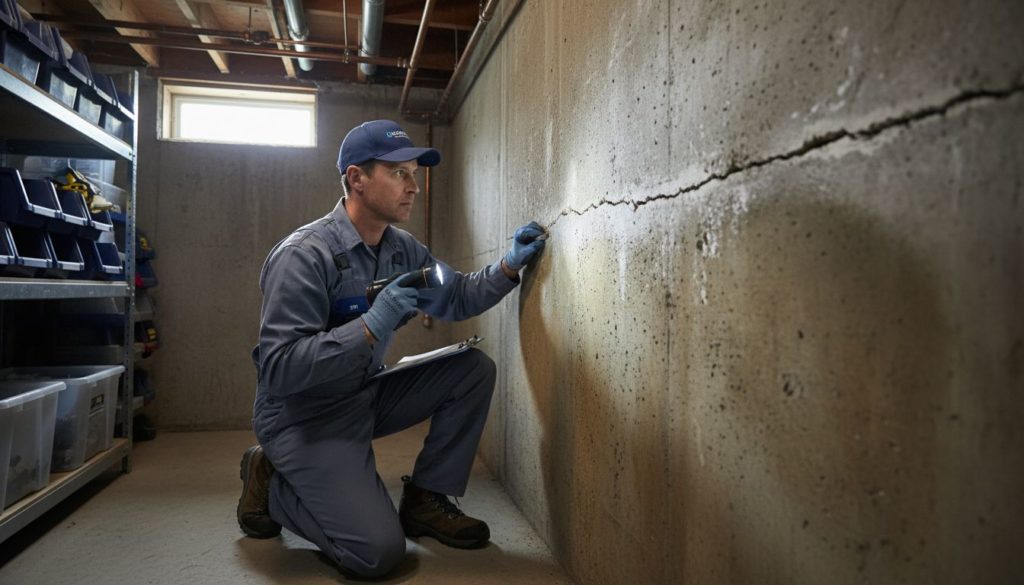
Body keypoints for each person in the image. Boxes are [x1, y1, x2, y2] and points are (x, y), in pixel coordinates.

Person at [237, 119, 547, 579]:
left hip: (363, 394)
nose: (414, 186)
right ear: (356, 179)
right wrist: (369, 325)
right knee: (377, 554)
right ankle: (272, 482)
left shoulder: (401, 250)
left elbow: (457, 295)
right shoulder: (304, 256)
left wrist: (507, 266)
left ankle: (425, 499)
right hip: (303, 417)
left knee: (471, 370)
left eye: (415, 173)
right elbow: (280, 370)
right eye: (399, 173)